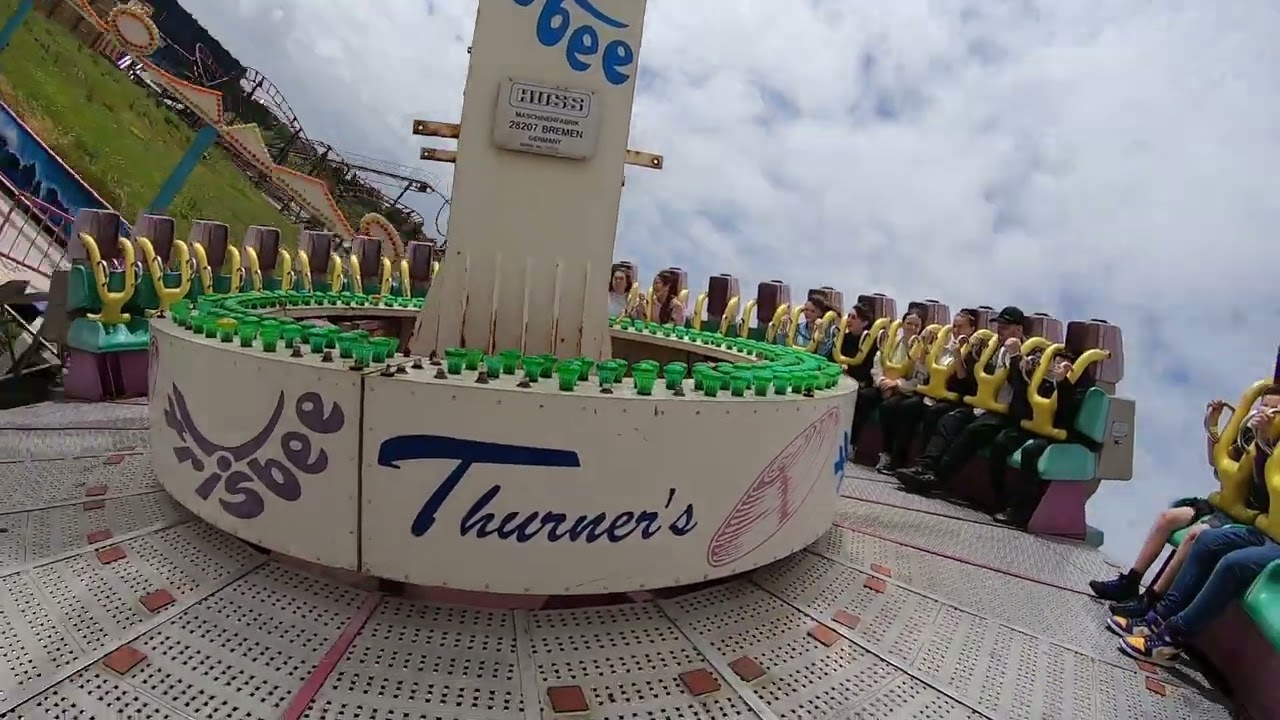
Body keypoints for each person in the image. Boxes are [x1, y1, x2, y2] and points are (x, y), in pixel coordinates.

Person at [1091, 386, 1280, 616]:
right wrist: (1212, 424)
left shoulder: (1275, 451)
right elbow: (1217, 464)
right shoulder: (1248, 437)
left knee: (1195, 535)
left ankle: (1151, 599)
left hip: (1246, 517)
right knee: (1167, 518)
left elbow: (1264, 490)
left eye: (1274, 409)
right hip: (1220, 505)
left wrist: (1265, 443)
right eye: (1264, 406)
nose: (1267, 412)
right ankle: (1130, 582)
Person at [896, 306, 1028, 494]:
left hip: (1004, 412)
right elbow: (971, 379)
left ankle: (937, 478)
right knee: (950, 420)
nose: (1000, 330)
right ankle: (924, 466)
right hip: (981, 405)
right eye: (999, 325)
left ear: (1019, 330)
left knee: (973, 431)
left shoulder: (1030, 352)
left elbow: (1021, 387)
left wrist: (1015, 356)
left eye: (1005, 327)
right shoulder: (992, 347)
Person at [1113, 523, 1280, 667]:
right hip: (1268, 532)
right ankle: (1160, 617)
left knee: (1233, 564)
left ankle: (1171, 639)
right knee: (1206, 540)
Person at [984, 350, 1097, 526]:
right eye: (1055, 363)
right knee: (1002, 441)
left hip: (1059, 433)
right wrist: (1023, 373)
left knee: (1030, 452)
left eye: (1061, 364)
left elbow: (1067, 415)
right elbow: (1023, 402)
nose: (1056, 367)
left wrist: (1063, 383)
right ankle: (999, 498)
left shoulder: (1080, 387)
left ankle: (1022, 512)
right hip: (1035, 427)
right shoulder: (1043, 381)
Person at [877, 309, 980, 473]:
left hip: (952, 398)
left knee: (932, 414)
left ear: (971, 329)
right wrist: (924, 349)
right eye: (954, 326)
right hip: (931, 393)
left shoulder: (973, 351)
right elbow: (925, 370)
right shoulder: (943, 344)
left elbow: (963, 379)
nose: (956, 330)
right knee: (907, 407)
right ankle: (897, 461)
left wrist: (958, 355)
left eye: (961, 327)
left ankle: (922, 467)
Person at [869, 309, 928, 472]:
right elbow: (877, 364)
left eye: (916, 325)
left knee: (890, 407)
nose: (912, 328)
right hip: (884, 384)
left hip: (906, 391)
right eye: (909, 323)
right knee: (865, 396)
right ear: (902, 324)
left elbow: (920, 379)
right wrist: (882, 382)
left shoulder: (923, 349)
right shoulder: (891, 341)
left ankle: (890, 455)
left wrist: (896, 384)